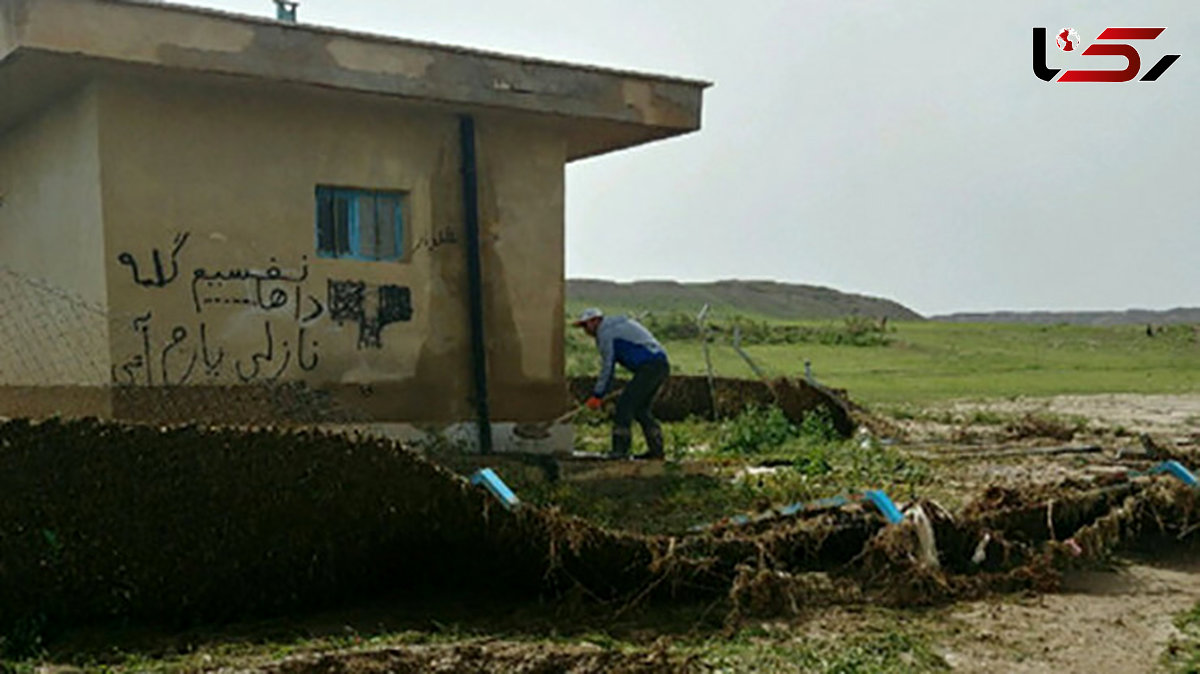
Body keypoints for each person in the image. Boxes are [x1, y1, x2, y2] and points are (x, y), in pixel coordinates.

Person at [573, 307, 670, 460]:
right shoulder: (617, 326)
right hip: (660, 366)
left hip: (649, 367)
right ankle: (657, 451)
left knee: (624, 406)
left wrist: (598, 395)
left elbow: (608, 366)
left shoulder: (605, 332)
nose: (586, 331)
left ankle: (620, 452)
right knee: (641, 410)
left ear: (596, 321)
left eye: (586, 325)